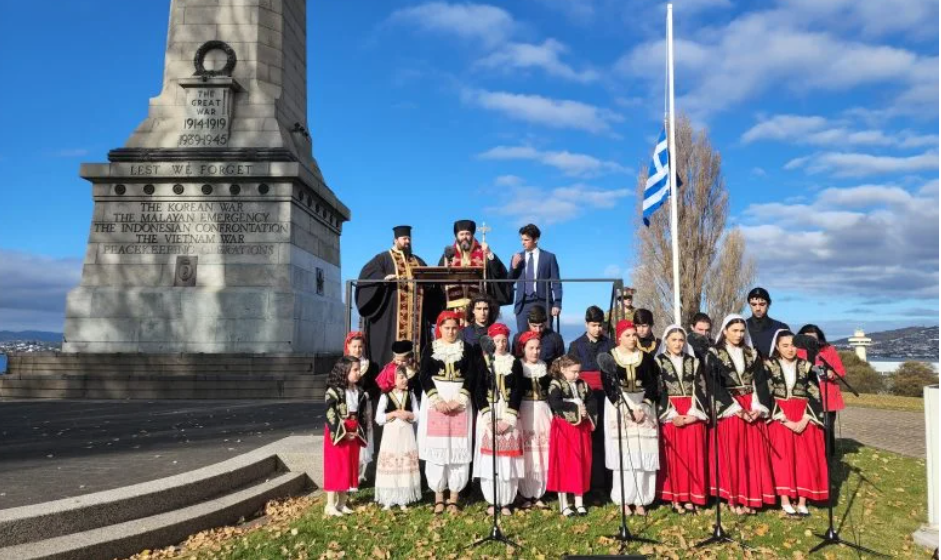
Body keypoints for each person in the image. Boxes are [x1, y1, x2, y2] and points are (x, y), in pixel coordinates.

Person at [708, 314, 775, 515]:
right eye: (734, 330)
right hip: (729, 405)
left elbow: (760, 381)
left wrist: (758, 406)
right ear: (725, 331)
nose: (738, 334)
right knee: (733, 453)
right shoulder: (714, 353)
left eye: (741, 331)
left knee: (751, 454)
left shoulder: (752, 353)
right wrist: (735, 409)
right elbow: (713, 383)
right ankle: (733, 498)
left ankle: (751, 496)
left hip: (751, 403)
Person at [417, 311, 481, 515]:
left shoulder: (467, 349)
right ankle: (438, 496)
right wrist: (437, 400)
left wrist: (460, 398)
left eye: (454, 328)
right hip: (437, 401)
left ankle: (454, 497)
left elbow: (472, 374)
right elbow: (424, 374)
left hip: (460, 401)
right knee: (437, 449)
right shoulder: (431, 348)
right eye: (447, 328)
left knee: (458, 449)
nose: (451, 332)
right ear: (440, 328)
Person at [356, 225, 442, 365]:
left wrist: (431, 286)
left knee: (416, 358)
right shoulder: (383, 259)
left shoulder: (417, 261)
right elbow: (367, 276)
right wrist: (383, 280)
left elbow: (430, 282)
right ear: (395, 240)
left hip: (415, 322)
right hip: (390, 318)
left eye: (409, 239)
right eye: (404, 238)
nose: (407, 241)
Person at [765, 330, 829, 515]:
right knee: (782, 458)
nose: (790, 349)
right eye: (785, 346)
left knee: (804, 457)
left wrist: (806, 418)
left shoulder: (806, 365)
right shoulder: (769, 365)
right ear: (777, 347)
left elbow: (815, 391)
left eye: (793, 345)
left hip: (803, 414)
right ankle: (784, 497)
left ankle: (803, 499)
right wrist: (783, 418)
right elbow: (766, 392)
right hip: (780, 414)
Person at [603, 320, 660, 516]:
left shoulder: (646, 358)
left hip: (643, 404)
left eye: (634, 335)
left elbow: (654, 384)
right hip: (619, 406)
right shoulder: (610, 357)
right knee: (625, 456)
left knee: (644, 453)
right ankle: (623, 499)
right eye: (627, 335)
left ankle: (642, 499)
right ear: (619, 337)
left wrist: (644, 406)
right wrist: (625, 408)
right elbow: (609, 385)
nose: (632, 338)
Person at [654, 325, 709, 514]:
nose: (678, 343)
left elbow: (701, 387)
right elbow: (658, 391)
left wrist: (693, 414)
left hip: (691, 411)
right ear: (666, 341)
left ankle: (691, 496)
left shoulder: (694, 362)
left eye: (680, 340)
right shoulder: (658, 362)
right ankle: (675, 496)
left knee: (692, 455)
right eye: (673, 340)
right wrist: (671, 415)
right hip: (671, 412)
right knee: (673, 458)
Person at [473, 323, 524, 517]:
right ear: (491, 342)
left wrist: (508, 419)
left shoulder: (514, 362)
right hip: (489, 413)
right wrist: (488, 417)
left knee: (507, 461)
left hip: (509, 414)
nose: (501, 345)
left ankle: (506, 501)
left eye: (504, 341)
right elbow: (477, 389)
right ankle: (492, 500)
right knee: (490, 460)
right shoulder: (483, 362)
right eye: (497, 341)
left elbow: (518, 390)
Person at [568, 305, 614, 491]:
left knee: (607, 438)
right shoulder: (576, 345)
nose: (598, 329)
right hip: (587, 397)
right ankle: (590, 485)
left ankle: (607, 483)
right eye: (594, 325)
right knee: (589, 439)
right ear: (586, 324)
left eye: (600, 325)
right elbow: (572, 375)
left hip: (607, 397)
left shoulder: (610, 344)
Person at [546, 354, 597, 517]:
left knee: (580, 462)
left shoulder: (582, 384)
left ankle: (579, 501)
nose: (577, 375)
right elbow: (555, 402)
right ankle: (564, 503)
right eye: (573, 372)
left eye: (578, 372)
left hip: (580, 429)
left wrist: (586, 411)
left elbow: (592, 401)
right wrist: (575, 407)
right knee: (564, 463)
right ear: (563, 369)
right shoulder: (556, 384)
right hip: (564, 428)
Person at [322, 356, 370, 517]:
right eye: (355, 370)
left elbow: (362, 415)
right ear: (344, 371)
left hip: (353, 431)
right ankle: (330, 504)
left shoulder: (360, 392)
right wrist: (342, 434)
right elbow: (330, 414)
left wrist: (358, 432)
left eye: (358, 370)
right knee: (336, 466)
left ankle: (342, 503)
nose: (358, 373)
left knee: (349, 466)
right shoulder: (333, 392)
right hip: (339, 432)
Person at [374, 365, 422, 510]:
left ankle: (403, 497)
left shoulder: (411, 395)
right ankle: (389, 497)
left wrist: (410, 415)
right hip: (391, 435)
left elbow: (418, 415)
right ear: (392, 379)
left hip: (406, 435)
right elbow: (379, 418)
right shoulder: (385, 396)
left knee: (404, 462)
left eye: (405, 376)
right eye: (401, 377)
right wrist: (393, 413)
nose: (405, 379)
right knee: (391, 462)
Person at [438, 220, 512, 310]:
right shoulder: (449, 252)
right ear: (456, 236)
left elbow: (498, 272)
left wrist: (489, 253)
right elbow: (440, 277)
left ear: (472, 235)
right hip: (454, 304)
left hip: (477, 305)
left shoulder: (482, 251)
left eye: (467, 234)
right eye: (461, 234)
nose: (464, 237)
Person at [516, 331, 553, 509]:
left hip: (543, 411)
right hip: (525, 410)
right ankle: (524, 493)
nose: (535, 352)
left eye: (538, 348)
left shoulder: (545, 367)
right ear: (523, 349)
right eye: (531, 348)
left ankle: (539, 493)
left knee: (542, 451)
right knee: (527, 453)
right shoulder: (517, 366)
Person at [796, 324, 846, 450]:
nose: (810, 342)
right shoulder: (796, 350)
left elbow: (840, 370)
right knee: (810, 428)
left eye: (813, 338)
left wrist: (832, 373)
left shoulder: (828, 350)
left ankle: (829, 456)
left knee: (827, 428)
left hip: (827, 396)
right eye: (806, 338)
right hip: (806, 396)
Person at [508, 224, 562, 335]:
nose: (523, 242)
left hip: (544, 302)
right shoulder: (517, 257)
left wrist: (557, 303)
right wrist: (513, 267)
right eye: (522, 240)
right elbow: (510, 281)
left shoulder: (549, 257)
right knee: (523, 338)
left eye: (526, 240)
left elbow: (556, 282)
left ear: (536, 239)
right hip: (523, 304)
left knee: (546, 337)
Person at [745, 287, 789, 358]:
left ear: (768, 304)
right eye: (754, 304)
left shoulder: (781, 327)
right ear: (749, 305)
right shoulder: (743, 327)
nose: (758, 308)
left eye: (762, 304)